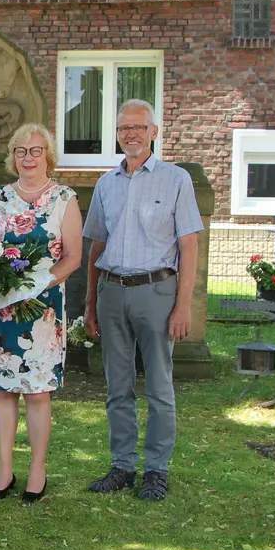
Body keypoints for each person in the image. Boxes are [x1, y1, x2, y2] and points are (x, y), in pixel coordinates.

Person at [82, 99, 202, 502]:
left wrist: (183, 306)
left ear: (154, 131)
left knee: (158, 386)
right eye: (123, 129)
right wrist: (89, 302)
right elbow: (97, 243)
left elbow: (189, 245)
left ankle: (157, 470)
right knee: (117, 385)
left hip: (157, 293)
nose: (130, 134)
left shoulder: (176, 179)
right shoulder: (106, 184)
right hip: (111, 292)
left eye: (138, 127)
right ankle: (121, 466)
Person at [0, 124, 82, 504]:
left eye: (35, 151)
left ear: (48, 155)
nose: (28, 158)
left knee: (37, 393)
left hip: (42, 312)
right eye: (21, 151)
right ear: (13, 156)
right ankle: (4, 469)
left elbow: (73, 255)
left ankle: (37, 471)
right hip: (1, 311)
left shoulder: (63, 199)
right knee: (3, 391)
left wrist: (37, 284)